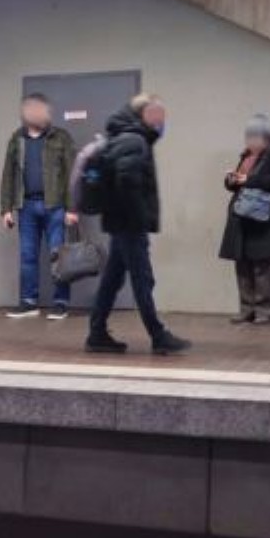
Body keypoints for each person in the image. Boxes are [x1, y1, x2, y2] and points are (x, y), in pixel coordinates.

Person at [85, 93, 191, 355]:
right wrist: (138, 219)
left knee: (112, 280)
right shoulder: (134, 140)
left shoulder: (126, 137)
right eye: (158, 116)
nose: (162, 122)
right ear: (144, 114)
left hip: (121, 223)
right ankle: (158, 335)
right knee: (143, 280)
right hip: (129, 225)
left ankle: (97, 333)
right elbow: (126, 182)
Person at [0, 93, 79, 320]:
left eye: (41, 110)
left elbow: (73, 174)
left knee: (58, 257)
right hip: (26, 207)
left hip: (55, 207)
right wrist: (6, 209)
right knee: (27, 257)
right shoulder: (17, 139)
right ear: (25, 113)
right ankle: (28, 302)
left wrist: (72, 208)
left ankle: (61, 303)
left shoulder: (61, 137)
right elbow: (8, 174)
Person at [219, 114, 270, 325]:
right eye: (248, 136)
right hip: (241, 216)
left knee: (262, 266)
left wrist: (248, 179)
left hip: (262, 219)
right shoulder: (247, 155)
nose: (250, 140)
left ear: (266, 135)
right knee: (242, 265)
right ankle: (246, 309)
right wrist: (232, 180)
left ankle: (264, 311)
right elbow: (238, 184)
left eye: (254, 136)